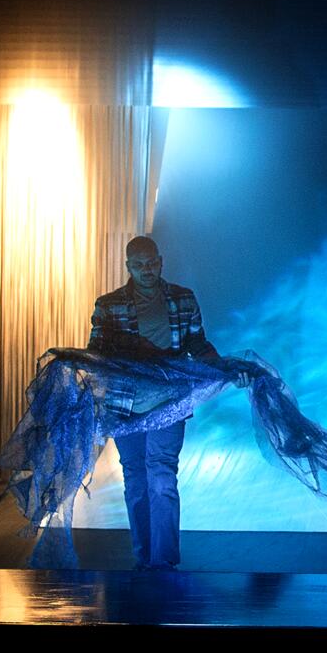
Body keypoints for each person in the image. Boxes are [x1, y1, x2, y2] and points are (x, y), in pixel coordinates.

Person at [88, 235, 245, 570]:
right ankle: (145, 557)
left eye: (152, 263)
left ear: (160, 261)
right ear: (128, 266)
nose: (147, 270)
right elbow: (98, 352)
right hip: (124, 406)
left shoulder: (182, 299)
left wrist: (225, 369)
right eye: (139, 265)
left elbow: (197, 344)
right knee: (136, 481)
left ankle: (164, 563)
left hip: (168, 401)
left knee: (161, 477)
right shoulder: (108, 305)